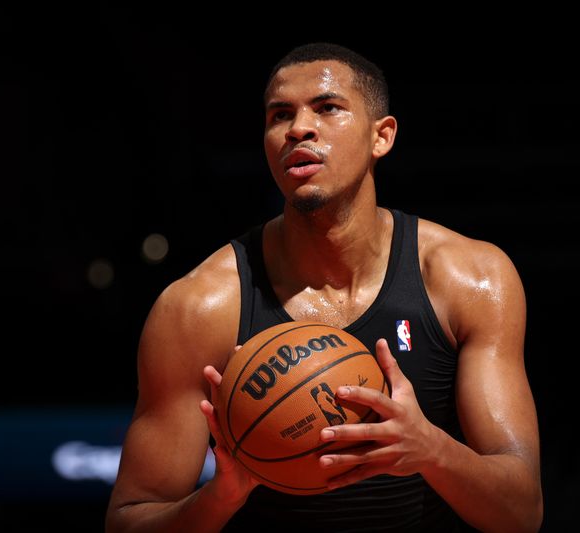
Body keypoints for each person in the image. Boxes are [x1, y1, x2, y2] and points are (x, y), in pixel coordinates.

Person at [105, 42, 543, 532]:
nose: (297, 129)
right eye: (279, 115)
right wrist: (222, 496)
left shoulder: (471, 278)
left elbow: (521, 512)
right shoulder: (198, 307)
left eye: (328, 107)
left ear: (383, 137)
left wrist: (430, 449)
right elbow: (128, 520)